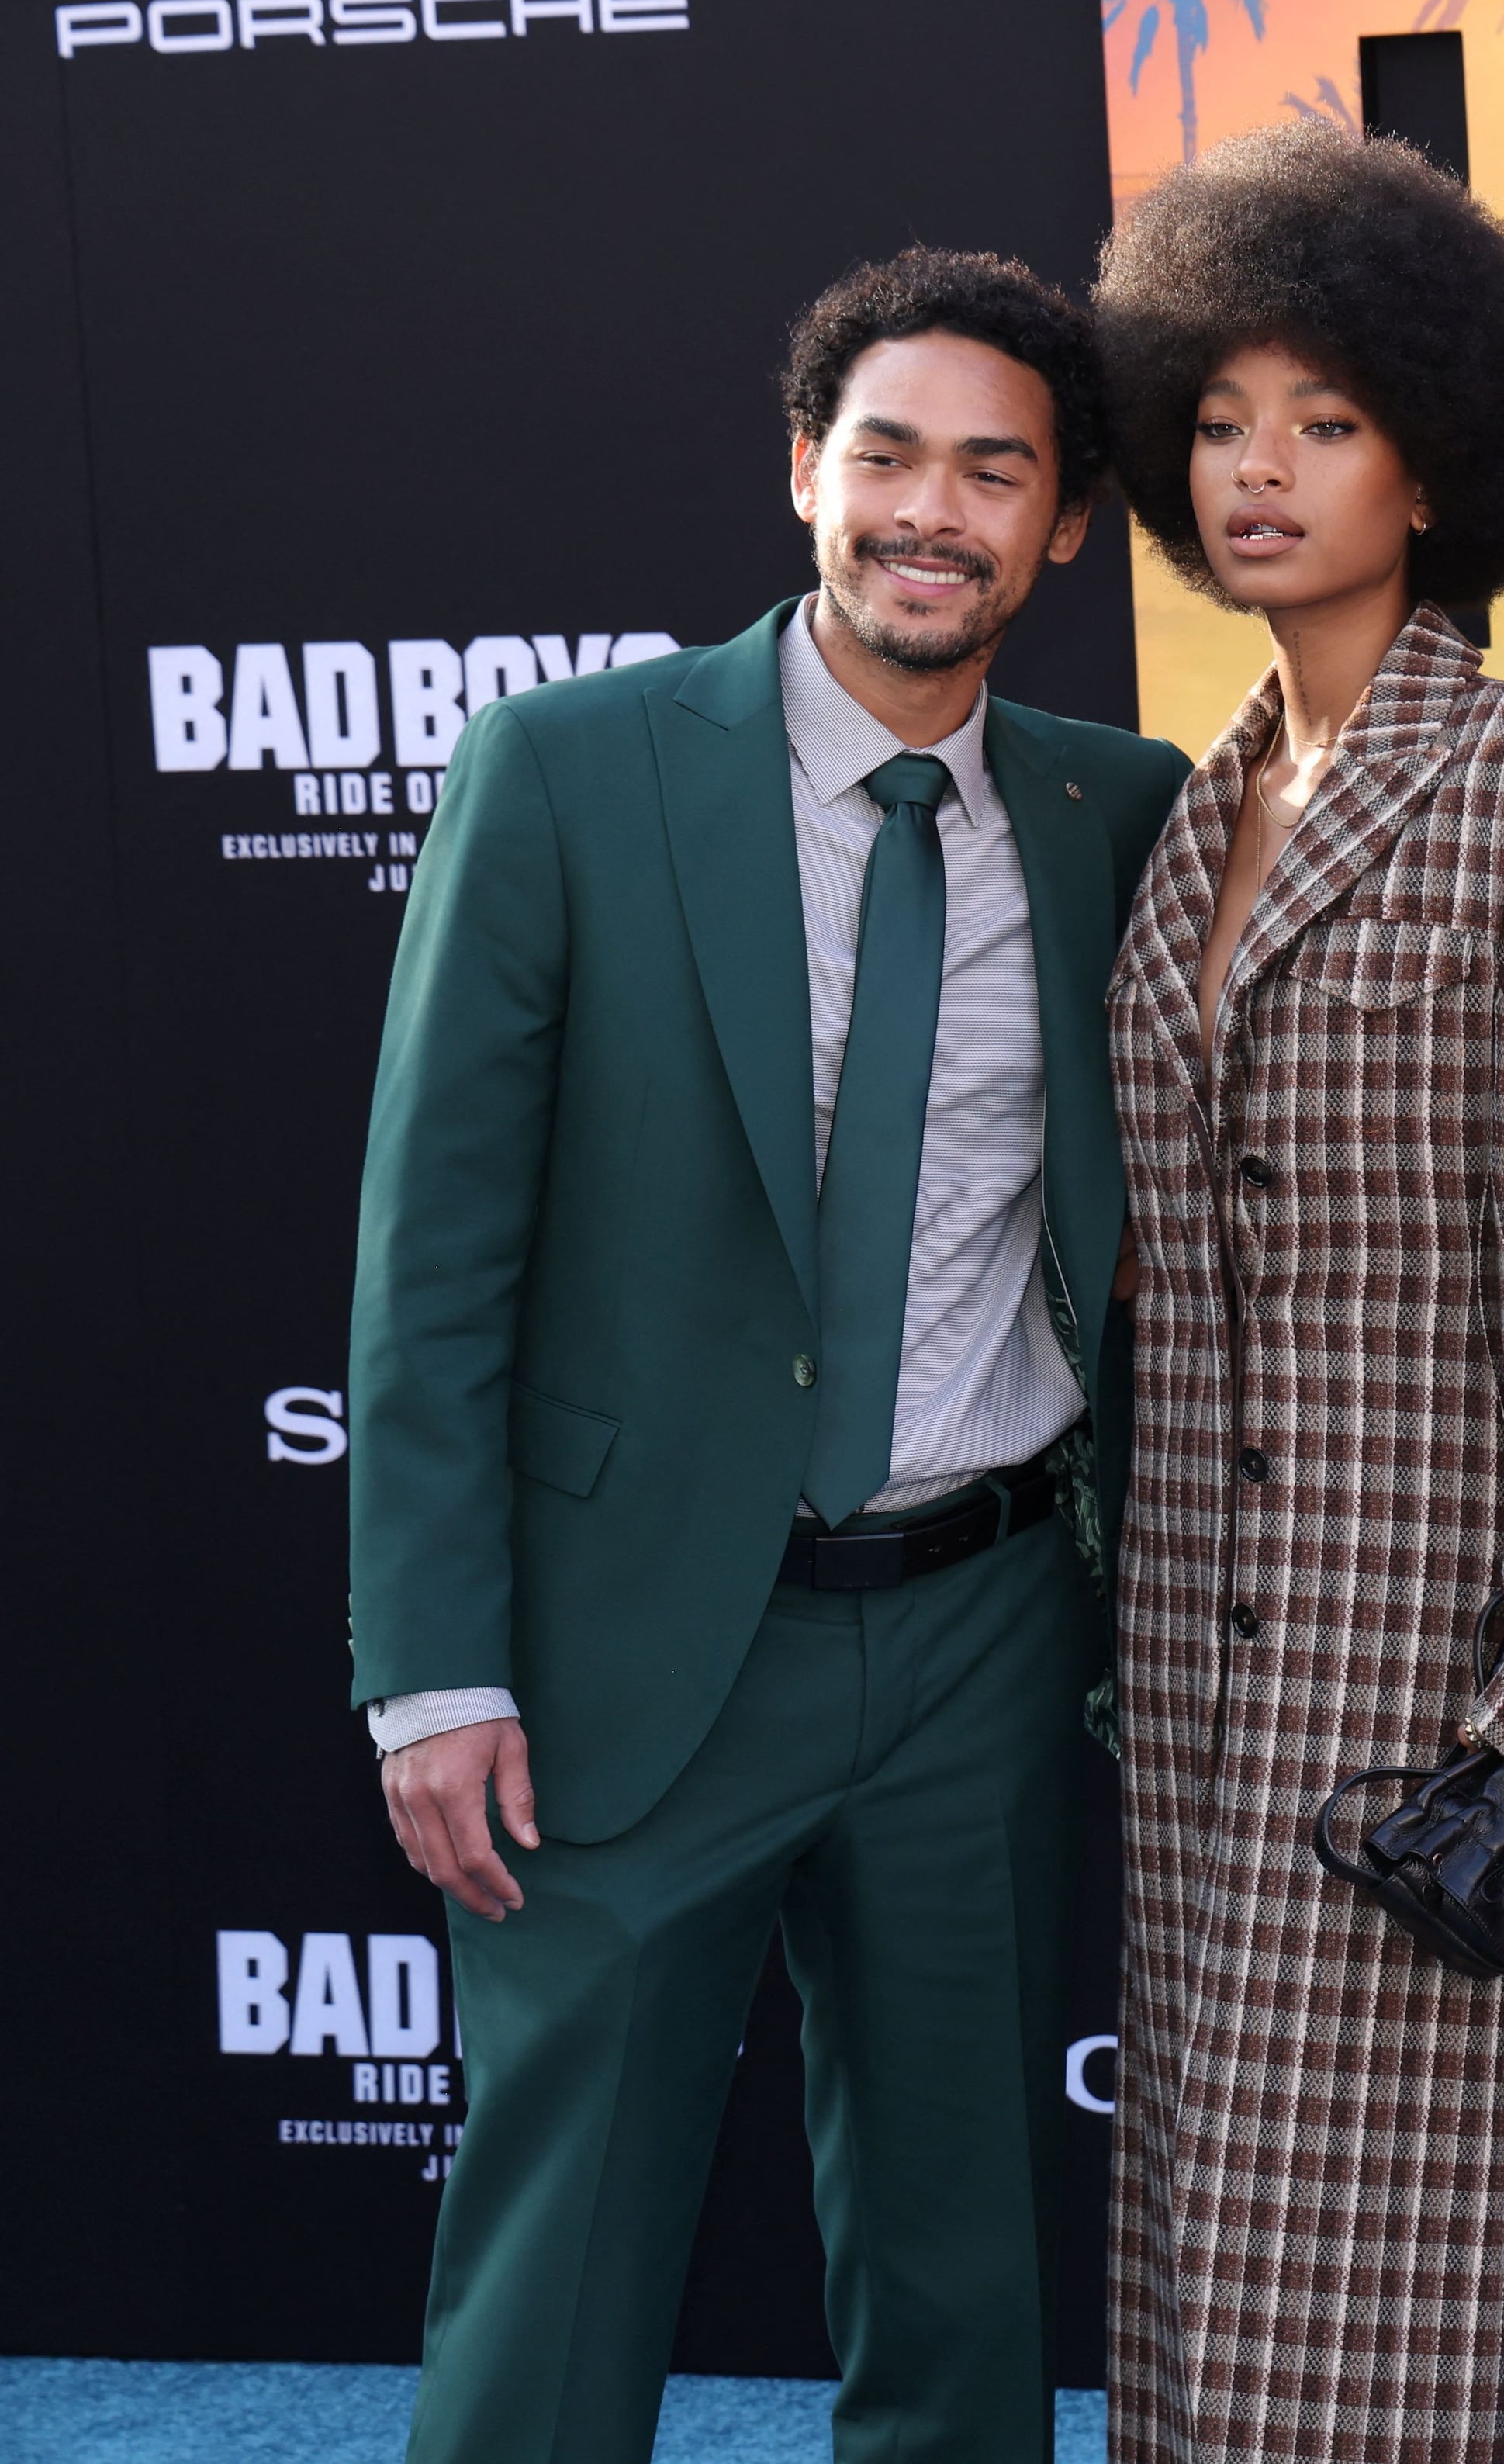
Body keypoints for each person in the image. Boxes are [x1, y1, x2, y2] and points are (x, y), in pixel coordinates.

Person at [347, 248, 1184, 2462]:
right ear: (803, 469)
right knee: (558, 2274)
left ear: (1065, 524)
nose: (934, 508)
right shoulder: (569, 771)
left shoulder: (1123, 810)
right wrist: (432, 1662)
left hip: (984, 1632)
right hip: (630, 1651)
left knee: (962, 2269)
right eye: (888, 453)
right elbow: (434, 1258)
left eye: (995, 470)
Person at [1091, 121, 1504, 2464]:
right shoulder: (1191, 807)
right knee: (1216, 2322)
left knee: (1432, 2332)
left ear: (1437, 462)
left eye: (1324, 421)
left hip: (1445, 1687)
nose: (1259, 470)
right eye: (1220, 421)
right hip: (1194, 1675)